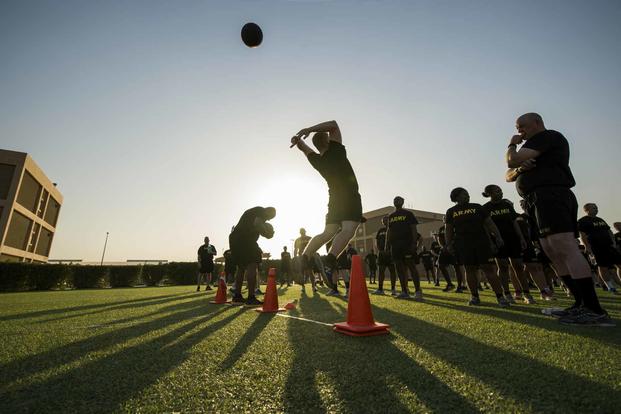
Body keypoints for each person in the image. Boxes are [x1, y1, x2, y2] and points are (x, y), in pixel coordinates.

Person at [506, 112, 612, 326]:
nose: (519, 131)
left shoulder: (548, 136)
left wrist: (511, 145)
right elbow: (508, 173)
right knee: (552, 250)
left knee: (564, 246)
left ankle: (594, 309)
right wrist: (518, 170)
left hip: (551, 195)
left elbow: (512, 158)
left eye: (522, 126)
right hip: (534, 200)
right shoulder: (532, 146)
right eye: (517, 128)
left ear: (537, 123)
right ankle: (580, 304)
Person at [290, 120, 364, 289]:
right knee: (348, 230)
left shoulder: (317, 160)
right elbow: (334, 124)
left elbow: (304, 148)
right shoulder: (336, 150)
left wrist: (298, 141)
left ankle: (305, 257)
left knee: (328, 232)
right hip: (350, 195)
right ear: (328, 139)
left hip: (334, 199)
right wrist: (308, 129)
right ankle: (330, 262)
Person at [444, 187, 510, 307]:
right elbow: (448, 229)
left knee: (488, 268)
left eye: (468, 194)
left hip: (481, 242)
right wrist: (448, 244)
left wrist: (498, 236)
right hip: (463, 244)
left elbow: (489, 223)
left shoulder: (477, 207)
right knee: (469, 269)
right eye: (464, 194)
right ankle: (474, 296)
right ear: (456, 197)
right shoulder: (451, 211)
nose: (467, 196)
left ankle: (500, 297)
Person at [482, 185, 535, 304]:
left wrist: (521, 238)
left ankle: (527, 294)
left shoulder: (507, 205)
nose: (500, 193)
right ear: (490, 193)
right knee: (503, 267)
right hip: (498, 241)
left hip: (513, 239)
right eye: (497, 191)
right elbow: (486, 228)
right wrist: (491, 242)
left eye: (501, 190)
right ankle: (507, 293)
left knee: (518, 266)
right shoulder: (485, 208)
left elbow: (514, 222)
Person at [229, 206, 276, 306]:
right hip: (244, 238)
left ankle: (237, 296)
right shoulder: (261, 211)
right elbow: (258, 224)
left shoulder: (252, 215)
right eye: (270, 217)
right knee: (253, 263)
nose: (268, 220)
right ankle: (251, 298)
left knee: (241, 267)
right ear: (268, 211)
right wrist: (267, 233)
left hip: (235, 239)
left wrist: (264, 231)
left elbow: (255, 225)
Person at [515, 200, 555, 300]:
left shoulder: (535, 216)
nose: (524, 206)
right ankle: (520, 291)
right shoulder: (519, 217)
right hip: (519, 245)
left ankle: (544, 291)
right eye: (521, 204)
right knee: (518, 268)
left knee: (537, 267)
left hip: (534, 244)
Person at [578, 203, 621, 294]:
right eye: (594, 208)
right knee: (603, 267)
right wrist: (587, 246)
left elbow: (609, 231)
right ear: (587, 209)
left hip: (609, 246)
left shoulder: (600, 219)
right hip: (596, 247)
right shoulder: (583, 221)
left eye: (597, 208)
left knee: (619, 264)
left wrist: (613, 242)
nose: (596, 209)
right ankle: (610, 287)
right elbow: (582, 234)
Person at [386, 196, 422, 300]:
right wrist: (387, 245)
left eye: (399, 200)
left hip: (407, 244)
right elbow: (389, 231)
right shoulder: (391, 216)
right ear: (393, 202)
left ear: (403, 202)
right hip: (395, 246)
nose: (397, 201)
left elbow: (413, 229)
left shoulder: (408, 214)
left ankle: (418, 291)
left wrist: (414, 243)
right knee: (399, 268)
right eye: (395, 200)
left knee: (411, 267)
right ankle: (404, 291)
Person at [373, 216, 398, 295]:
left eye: (386, 220)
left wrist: (391, 250)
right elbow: (376, 242)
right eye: (383, 221)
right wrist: (379, 251)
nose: (384, 222)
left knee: (392, 271)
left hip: (391, 253)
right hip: (382, 254)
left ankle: (393, 290)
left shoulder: (394, 229)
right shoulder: (380, 230)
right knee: (381, 271)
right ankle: (380, 289)